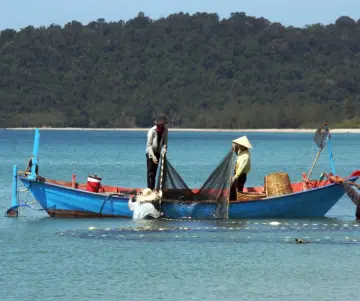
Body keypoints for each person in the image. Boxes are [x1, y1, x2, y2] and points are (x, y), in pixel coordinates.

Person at [145, 114, 168, 190]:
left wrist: (164, 149)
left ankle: (153, 188)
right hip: (150, 153)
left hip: (158, 153)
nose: (162, 125)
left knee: (155, 172)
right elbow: (149, 145)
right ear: (157, 124)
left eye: (163, 124)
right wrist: (153, 156)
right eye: (160, 124)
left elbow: (165, 142)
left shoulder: (165, 130)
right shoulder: (152, 131)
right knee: (150, 173)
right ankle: (149, 189)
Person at [230, 136, 252, 200]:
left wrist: (235, 176)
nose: (238, 146)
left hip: (240, 176)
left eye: (239, 145)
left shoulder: (245, 156)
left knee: (236, 191)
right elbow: (237, 152)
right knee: (233, 191)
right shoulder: (241, 153)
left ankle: (236, 204)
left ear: (243, 146)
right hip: (238, 175)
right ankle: (234, 202)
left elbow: (241, 168)